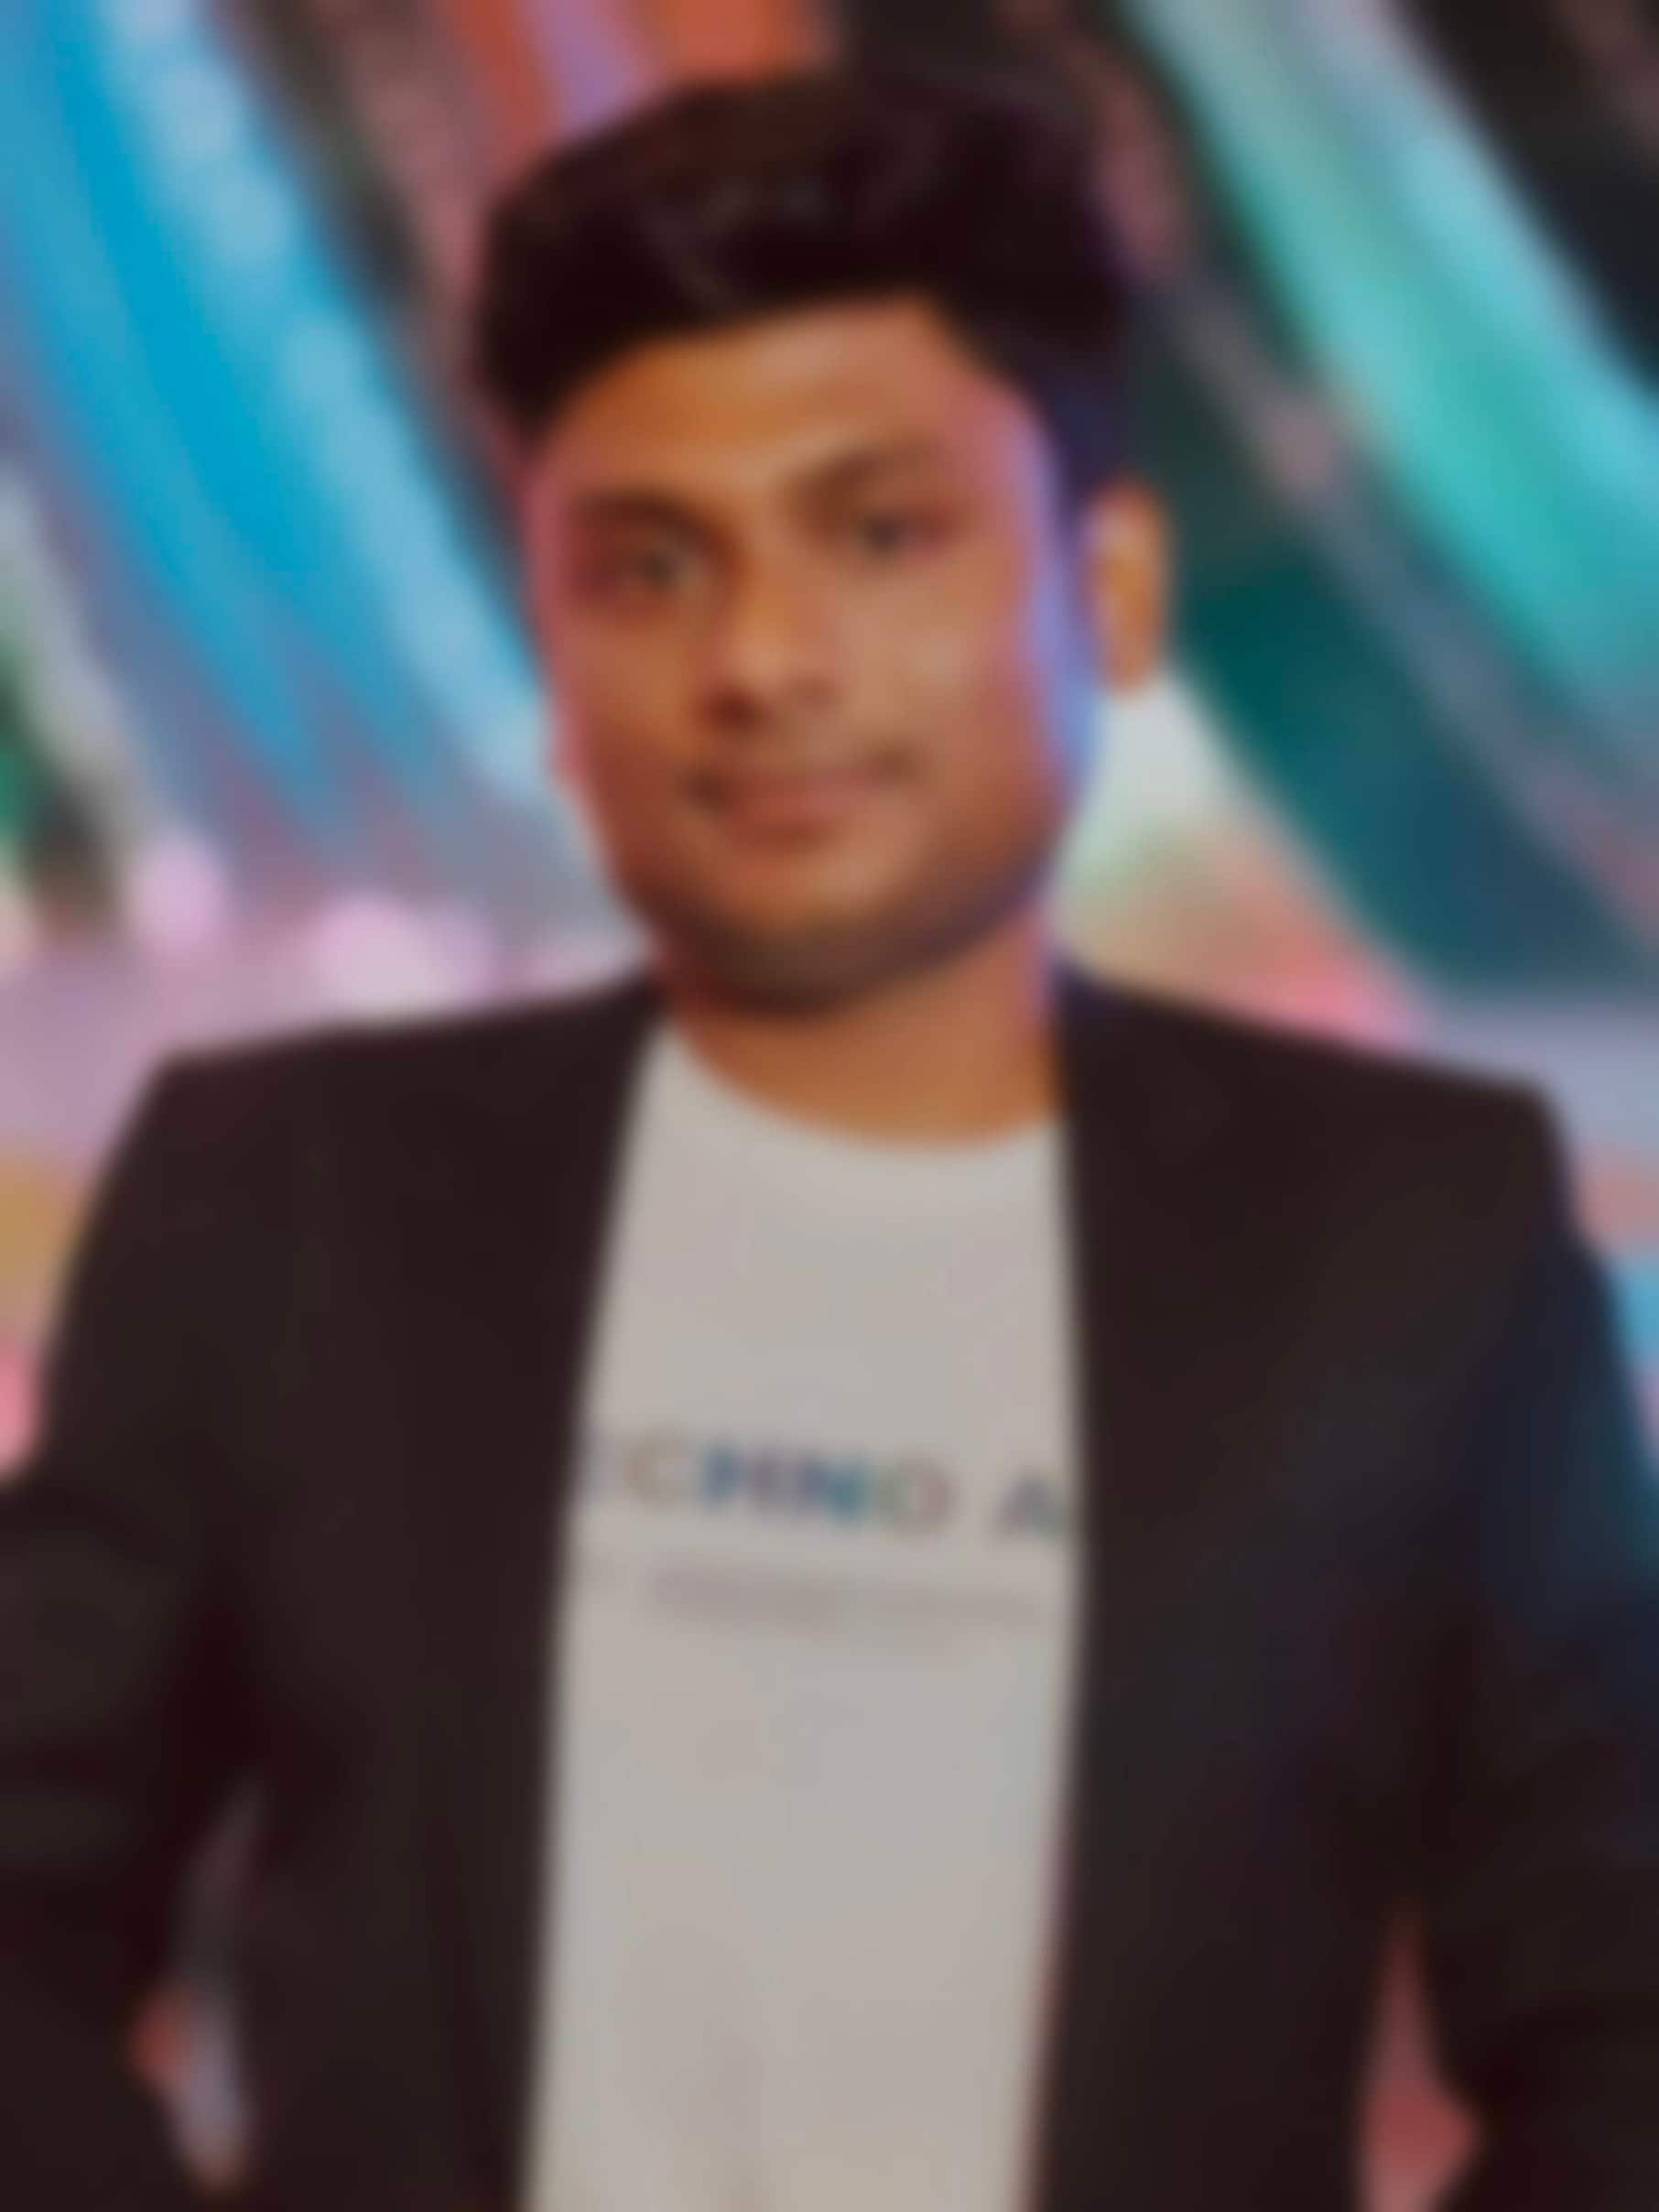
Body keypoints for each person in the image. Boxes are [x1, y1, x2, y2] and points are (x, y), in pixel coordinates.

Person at [3, 62, 1658, 2212]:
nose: (762, 659)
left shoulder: (1407, 1234)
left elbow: (1623, 2016)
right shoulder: (291, 1199)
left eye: (880, 534)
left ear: (1110, 588)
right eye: (648, 567)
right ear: (555, 653)